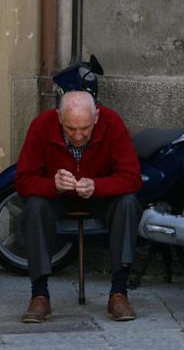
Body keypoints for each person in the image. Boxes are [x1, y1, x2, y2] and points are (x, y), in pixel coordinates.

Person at [15, 87, 143, 323]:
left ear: (96, 117)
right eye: (70, 128)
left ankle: (119, 292)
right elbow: (23, 181)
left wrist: (97, 186)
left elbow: (132, 177)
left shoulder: (111, 122)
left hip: (99, 195)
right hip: (58, 197)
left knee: (128, 204)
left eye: (85, 128)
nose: (77, 136)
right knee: (34, 207)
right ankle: (39, 295)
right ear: (59, 118)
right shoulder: (41, 125)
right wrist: (53, 185)